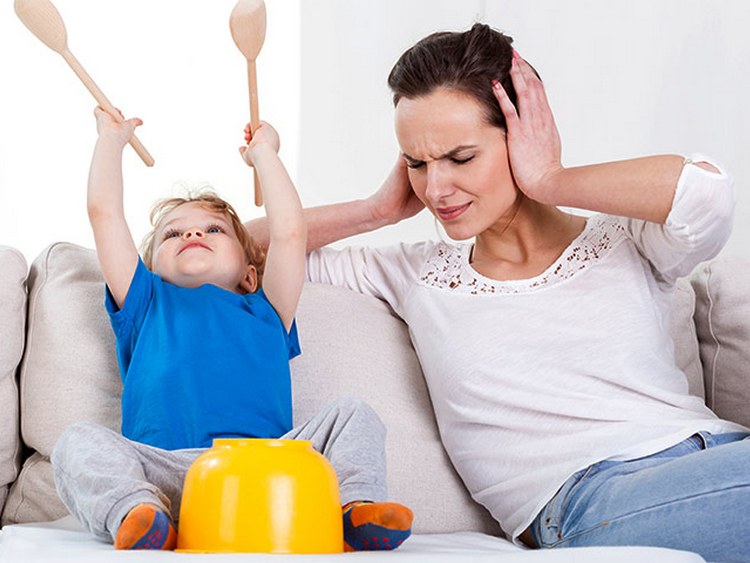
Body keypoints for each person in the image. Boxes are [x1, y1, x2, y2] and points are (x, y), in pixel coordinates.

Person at [246, 23, 748, 561]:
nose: (435, 189)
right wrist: (377, 210)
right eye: (417, 163)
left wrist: (550, 177)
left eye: (460, 158)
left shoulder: (628, 240)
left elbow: (705, 193)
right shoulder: (415, 273)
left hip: (719, 454)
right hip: (588, 500)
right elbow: (240, 249)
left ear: (521, 136)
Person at [50, 107, 413, 552]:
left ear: (249, 274)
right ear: (152, 268)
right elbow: (103, 213)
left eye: (213, 229)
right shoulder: (146, 302)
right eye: (172, 235)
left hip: (261, 472)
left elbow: (290, 233)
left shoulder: (267, 309)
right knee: (76, 443)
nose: (191, 235)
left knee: (354, 413)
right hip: (166, 473)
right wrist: (110, 140)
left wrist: (266, 154)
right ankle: (139, 514)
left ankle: (354, 510)